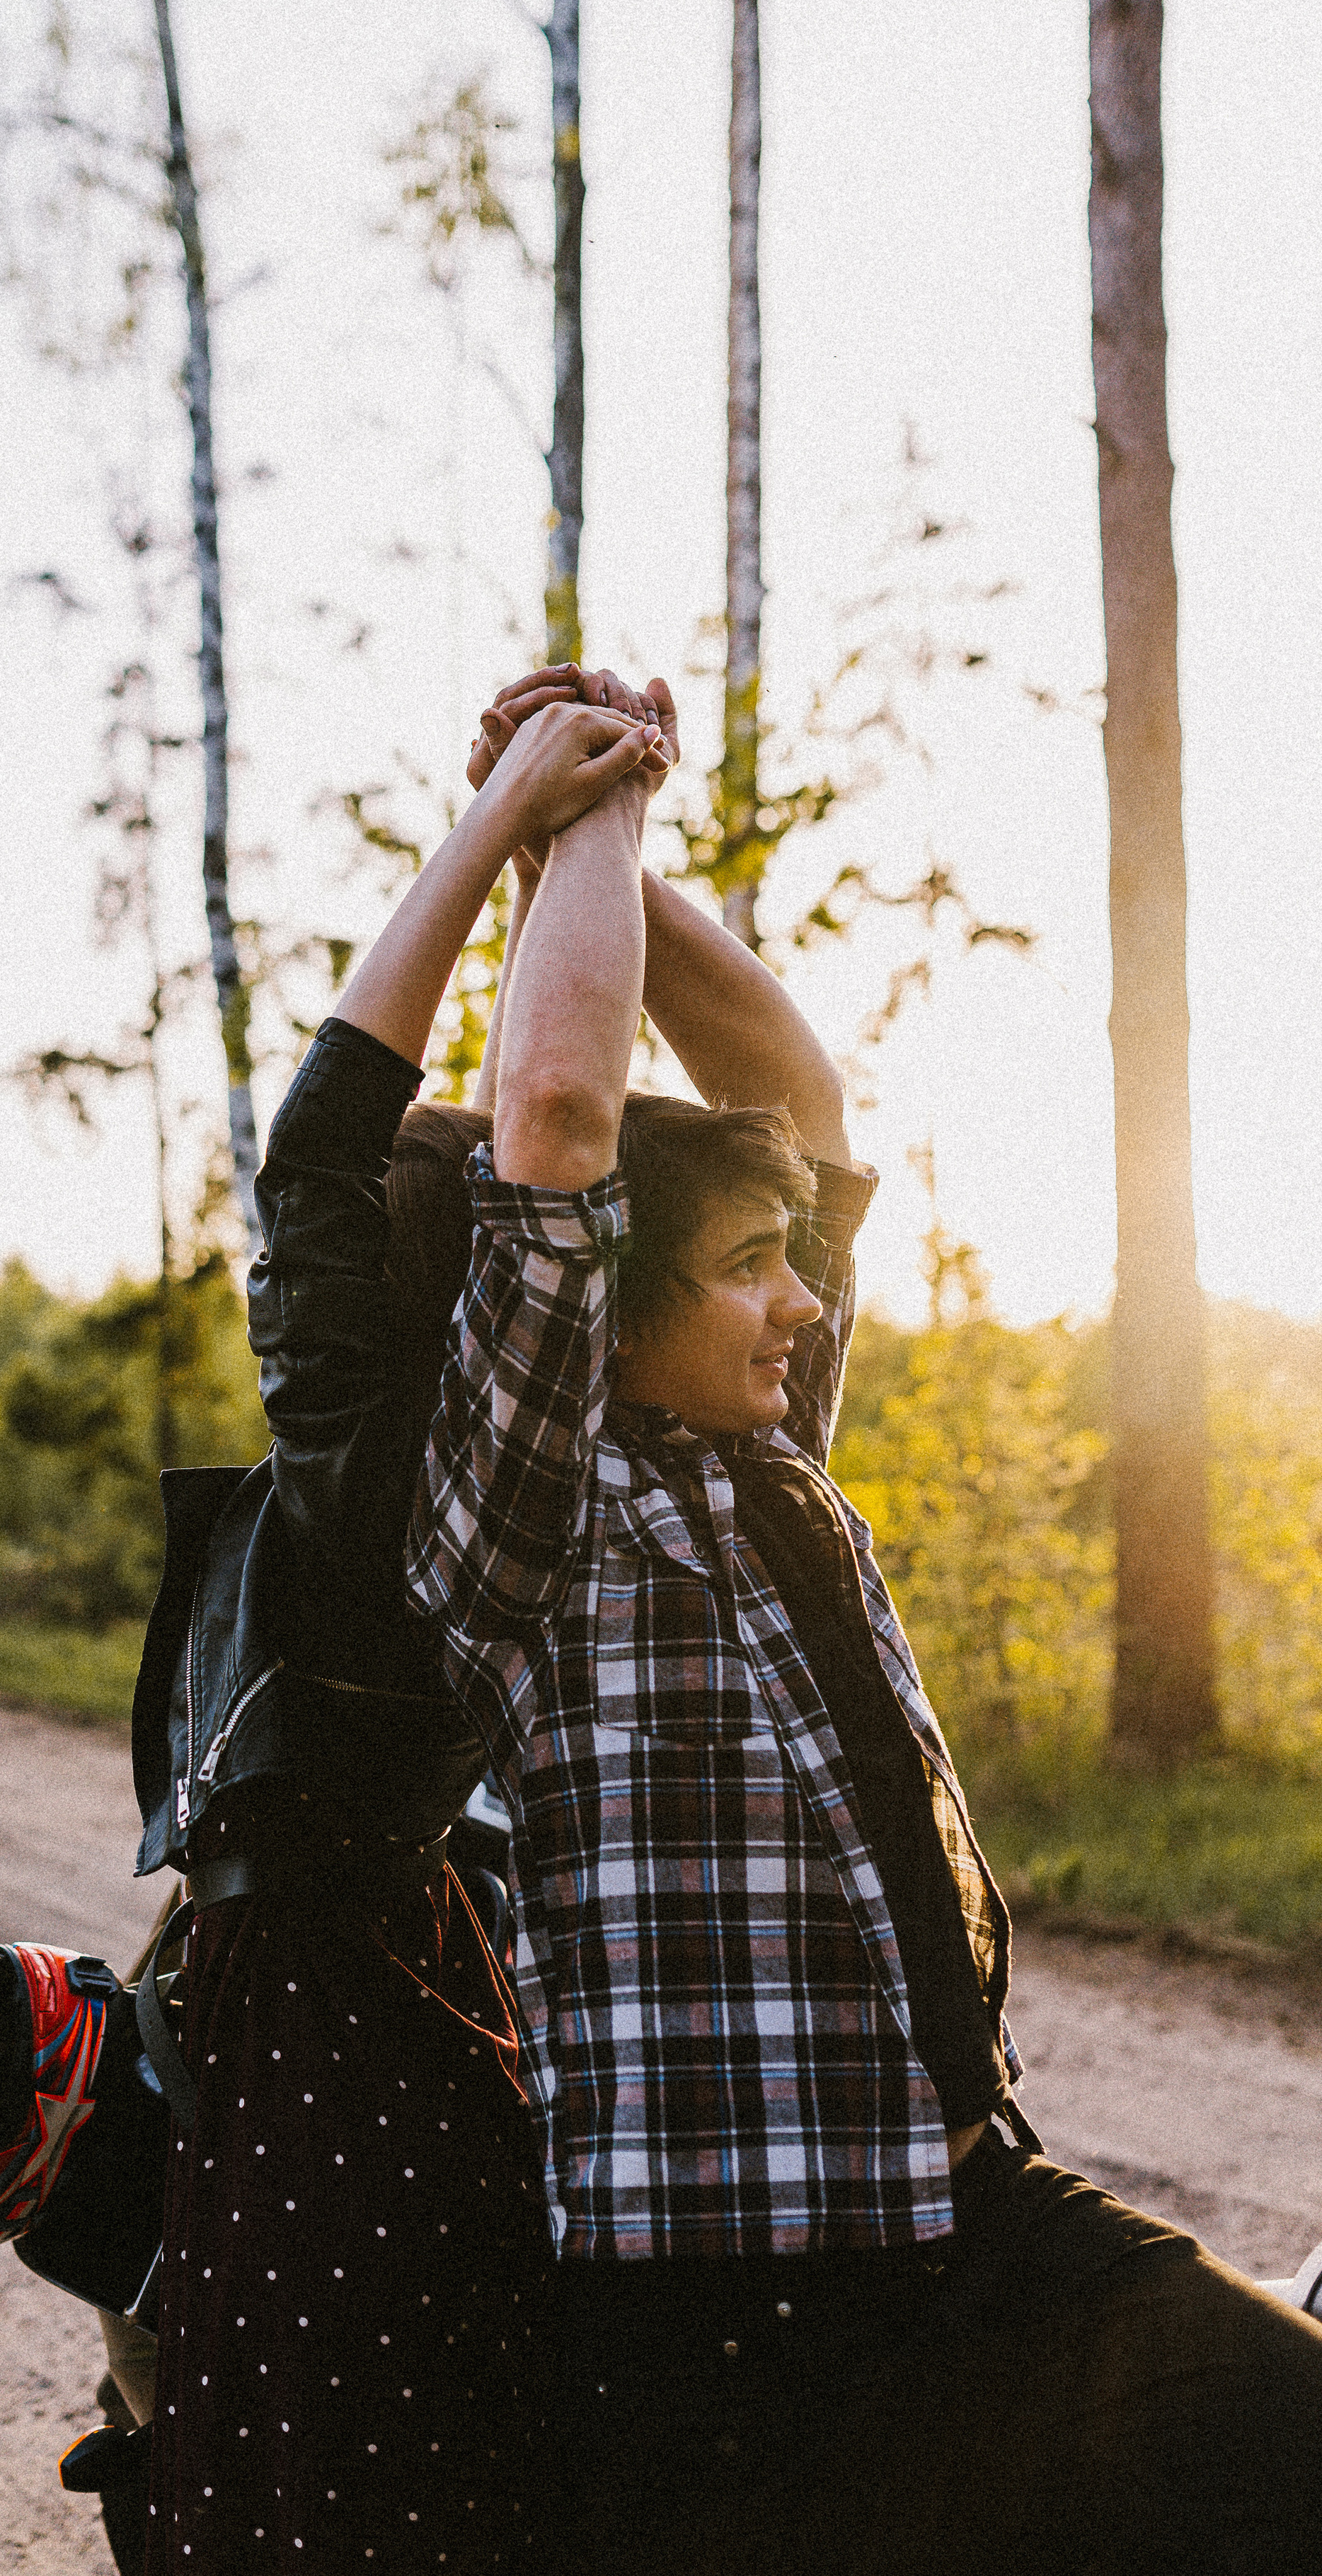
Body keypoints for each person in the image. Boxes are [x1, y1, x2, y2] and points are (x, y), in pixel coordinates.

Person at [407, 665, 1322, 2575]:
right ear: (609, 1310)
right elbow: (564, 1107)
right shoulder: (536, 1514)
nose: (805, 1303)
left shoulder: (766, 1467)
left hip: (959, 2213)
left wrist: (597, 805)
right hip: (716, 2328)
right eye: (749, 1269)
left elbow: (791, 1089)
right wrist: (571, 814)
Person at [134, 683, 663, 2572]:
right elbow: (342, 1155)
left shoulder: (408, 1491)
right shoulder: (404, 1457)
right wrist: (550, 832)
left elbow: (400, 1134)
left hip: (337, 2067)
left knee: (343, 2487)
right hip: (343, 2035)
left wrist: (540, 818)